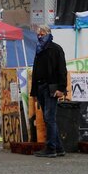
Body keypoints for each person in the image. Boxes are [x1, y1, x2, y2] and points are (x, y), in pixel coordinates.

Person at [30, 25, 68, 158]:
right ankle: (58, 147)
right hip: (41, 87)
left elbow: (62, 70)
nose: (39, 35)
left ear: (48, 33)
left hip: (51, 88)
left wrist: (61, 89)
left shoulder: (56, 49)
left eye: (41, 33)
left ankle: (51, 148)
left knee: (49, 118)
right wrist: (33, 92)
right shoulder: (39, 49)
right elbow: (35, 72)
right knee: (48, 118)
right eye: (38, 33)